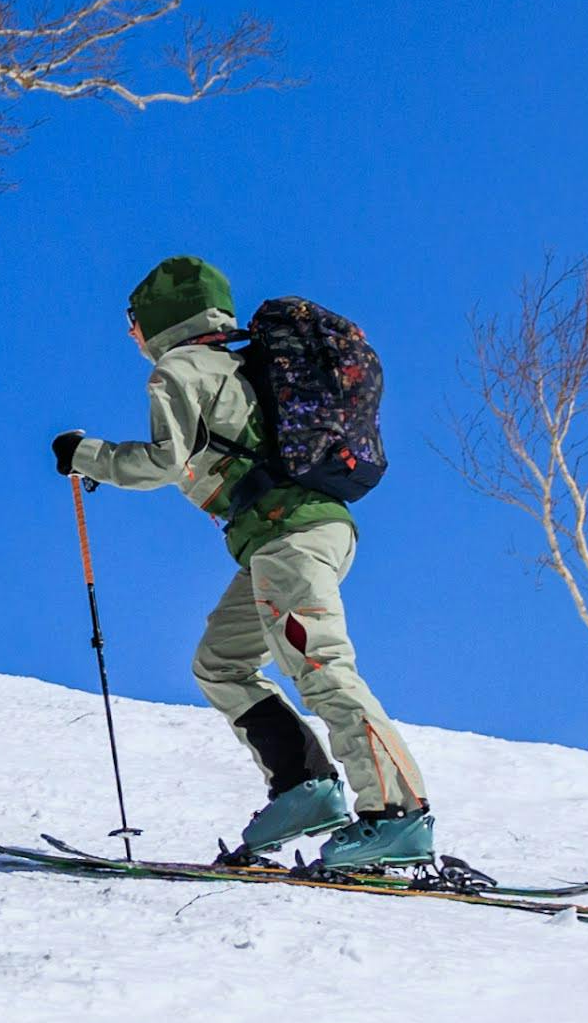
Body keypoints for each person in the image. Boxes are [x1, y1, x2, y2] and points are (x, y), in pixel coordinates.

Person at [52, 254, 436, 868]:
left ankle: (398, 814)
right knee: (220, 662)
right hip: (295, 535)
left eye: (134, 320)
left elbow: (162, 462)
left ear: (159, 319)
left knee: (319, 665)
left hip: (290, 537)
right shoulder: (240, 363)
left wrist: (85, 455)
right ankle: (304, 787)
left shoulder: (180, 369)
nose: (131, 335)